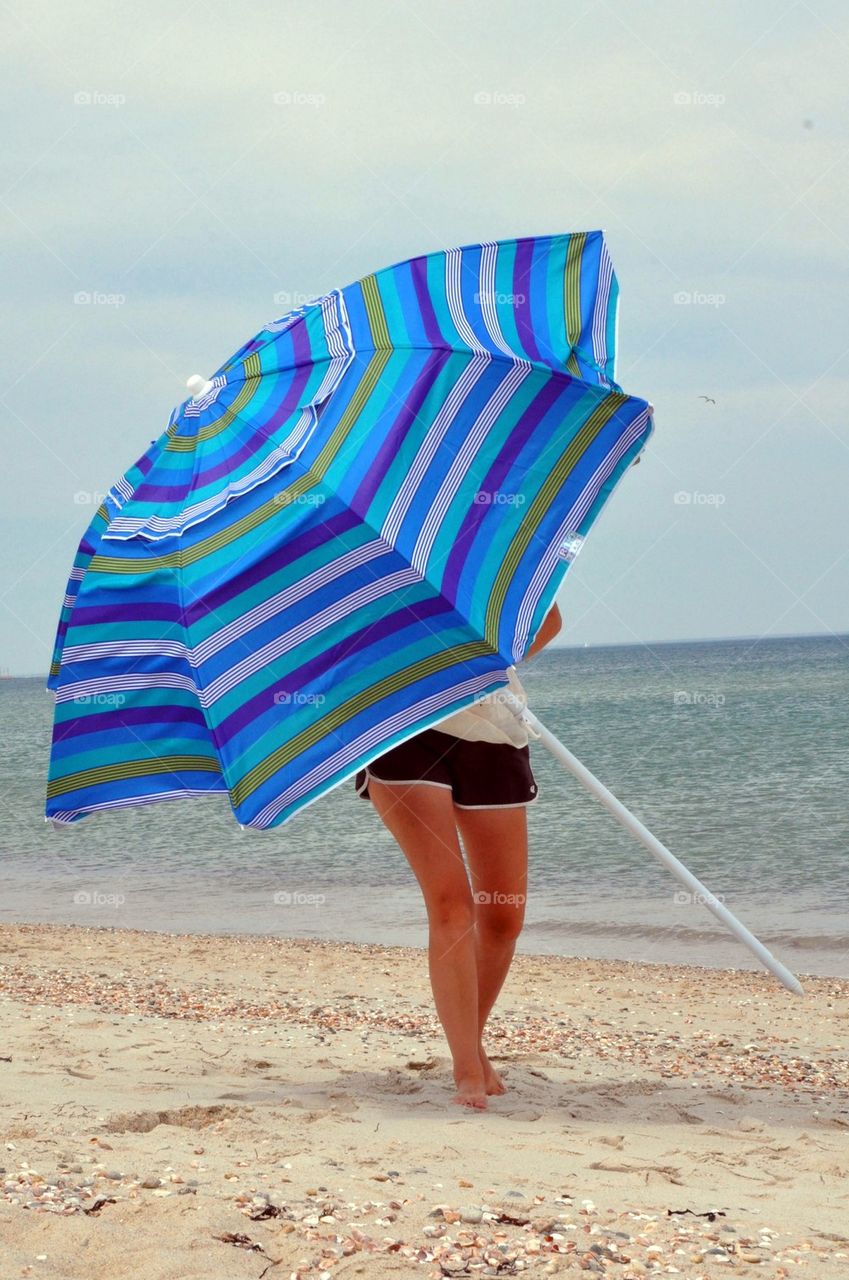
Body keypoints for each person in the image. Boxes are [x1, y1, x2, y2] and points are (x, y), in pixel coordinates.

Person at [354, 604, 562, 1109]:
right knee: (451, 904)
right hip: (403, 728)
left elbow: (547, 620)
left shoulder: (472, 536)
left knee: (504, 915)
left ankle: (470, 1042)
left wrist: (482, 662)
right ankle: (467, 1067)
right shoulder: (348, 558)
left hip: (494, 729)